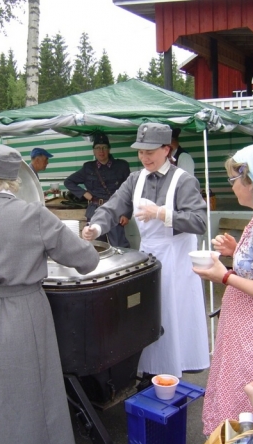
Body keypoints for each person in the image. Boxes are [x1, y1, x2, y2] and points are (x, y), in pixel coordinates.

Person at [0, 143, 99, 444]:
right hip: (24, 314)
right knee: (30, 394)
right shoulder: (35, 215)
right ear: (15, 182)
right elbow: (87, 260)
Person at [82, 123, 210, 379]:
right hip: (149, 256)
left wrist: (162, 213)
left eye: (150, 151)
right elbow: (113, 206)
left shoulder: (183, 180)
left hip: (178, 259)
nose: (144, 157)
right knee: (149, 312)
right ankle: (151, 370)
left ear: (166, 149)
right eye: (140, 152)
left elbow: (200, 221)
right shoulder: (134, 179)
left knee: (174, 313)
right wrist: (95, 227)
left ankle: (177, 366)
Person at [192, 144, 253, 436]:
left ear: (251, 180)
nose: (231, 186)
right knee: (232, 381)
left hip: (250, 327)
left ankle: (239, 438)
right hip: (239, 321)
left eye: (233, 179)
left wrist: (225, 276)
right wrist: (235, 252)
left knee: (243, 388)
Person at [64, 132, 131, 247]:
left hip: (115, 211)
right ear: (93, 151)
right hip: (94, 211)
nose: (101, 151)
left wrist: (127, 213)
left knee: (119, 246)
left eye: (104, 147)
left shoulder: (121, 166)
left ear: (109, 149)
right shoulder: (88, 168)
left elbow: (130, 192)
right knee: (97, 246)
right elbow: (68, 182)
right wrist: (84, 193)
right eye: (98, 148)